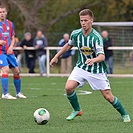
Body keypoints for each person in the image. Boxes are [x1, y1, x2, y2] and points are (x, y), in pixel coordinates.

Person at [50, 9, 131, 122]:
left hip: (96, 70)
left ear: (91, 21)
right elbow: (68, 45)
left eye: (86, 20)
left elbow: (102, 56)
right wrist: (56, 56)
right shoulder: (76, 34)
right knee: (68, 88)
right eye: (81, 20)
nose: (83, 23)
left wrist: (94, 60)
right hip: (81, 67)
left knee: (108, 96)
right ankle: (77, 110)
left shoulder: (96, 37)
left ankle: (124, 114)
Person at [0, 4, 26, 99]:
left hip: (9, 52)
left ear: (6, 12)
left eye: (3, 12)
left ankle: (18, 93)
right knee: (5, 70)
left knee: (16, 72)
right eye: (0, 12)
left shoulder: (10, 24)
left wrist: (11, 47)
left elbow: (13, 37)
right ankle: (5, 94)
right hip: (0, 52)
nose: (2, 14)